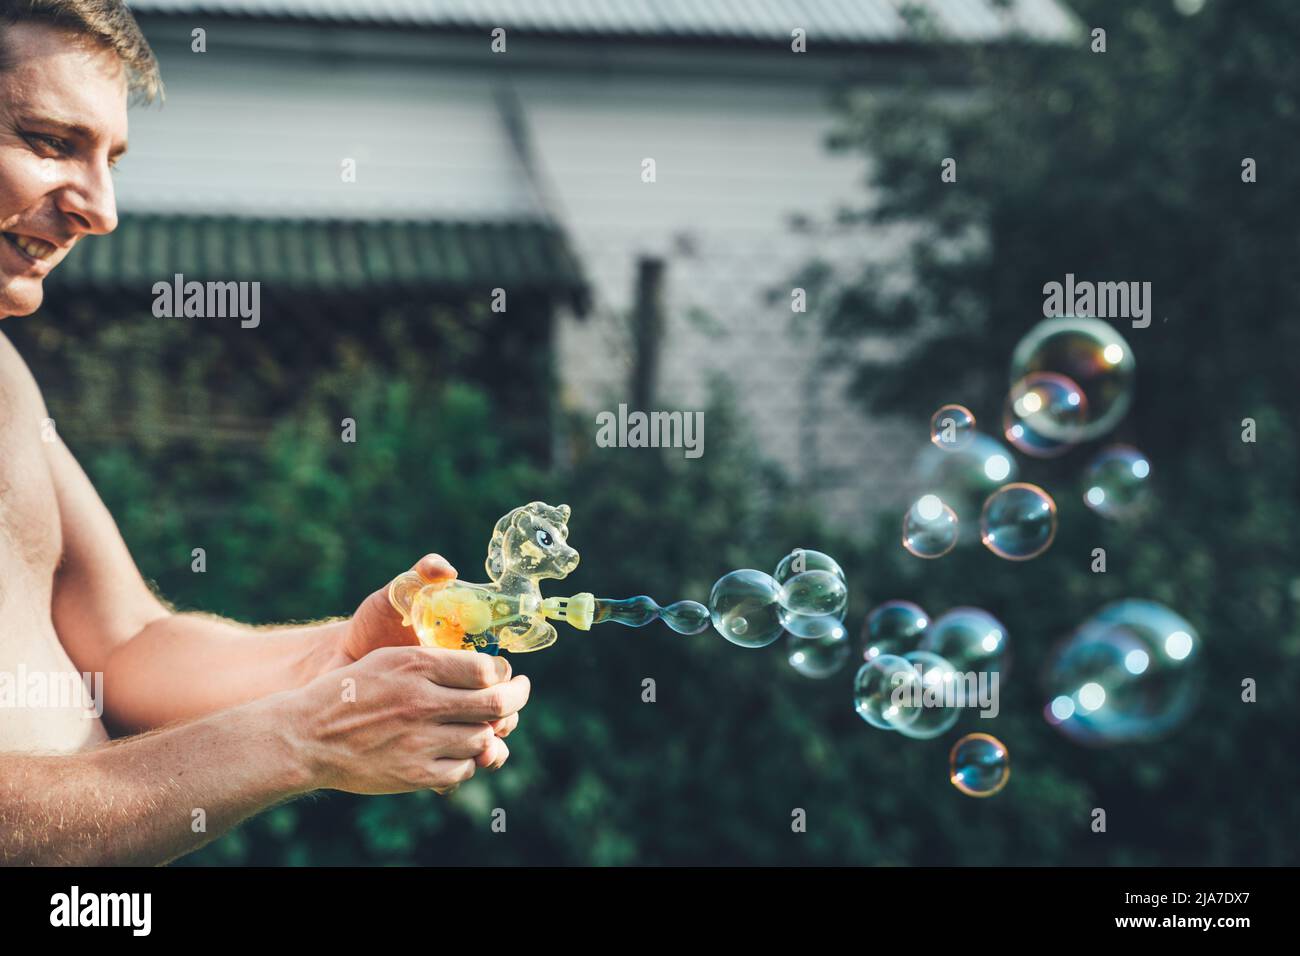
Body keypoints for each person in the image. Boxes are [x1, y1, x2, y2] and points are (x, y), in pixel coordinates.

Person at [0, 0, 530, 865]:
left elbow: (129, 641)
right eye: (52, 142)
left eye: (112, 160)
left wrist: (336, 660)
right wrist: (304, 737)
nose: (101, 209)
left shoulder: (5, 380)